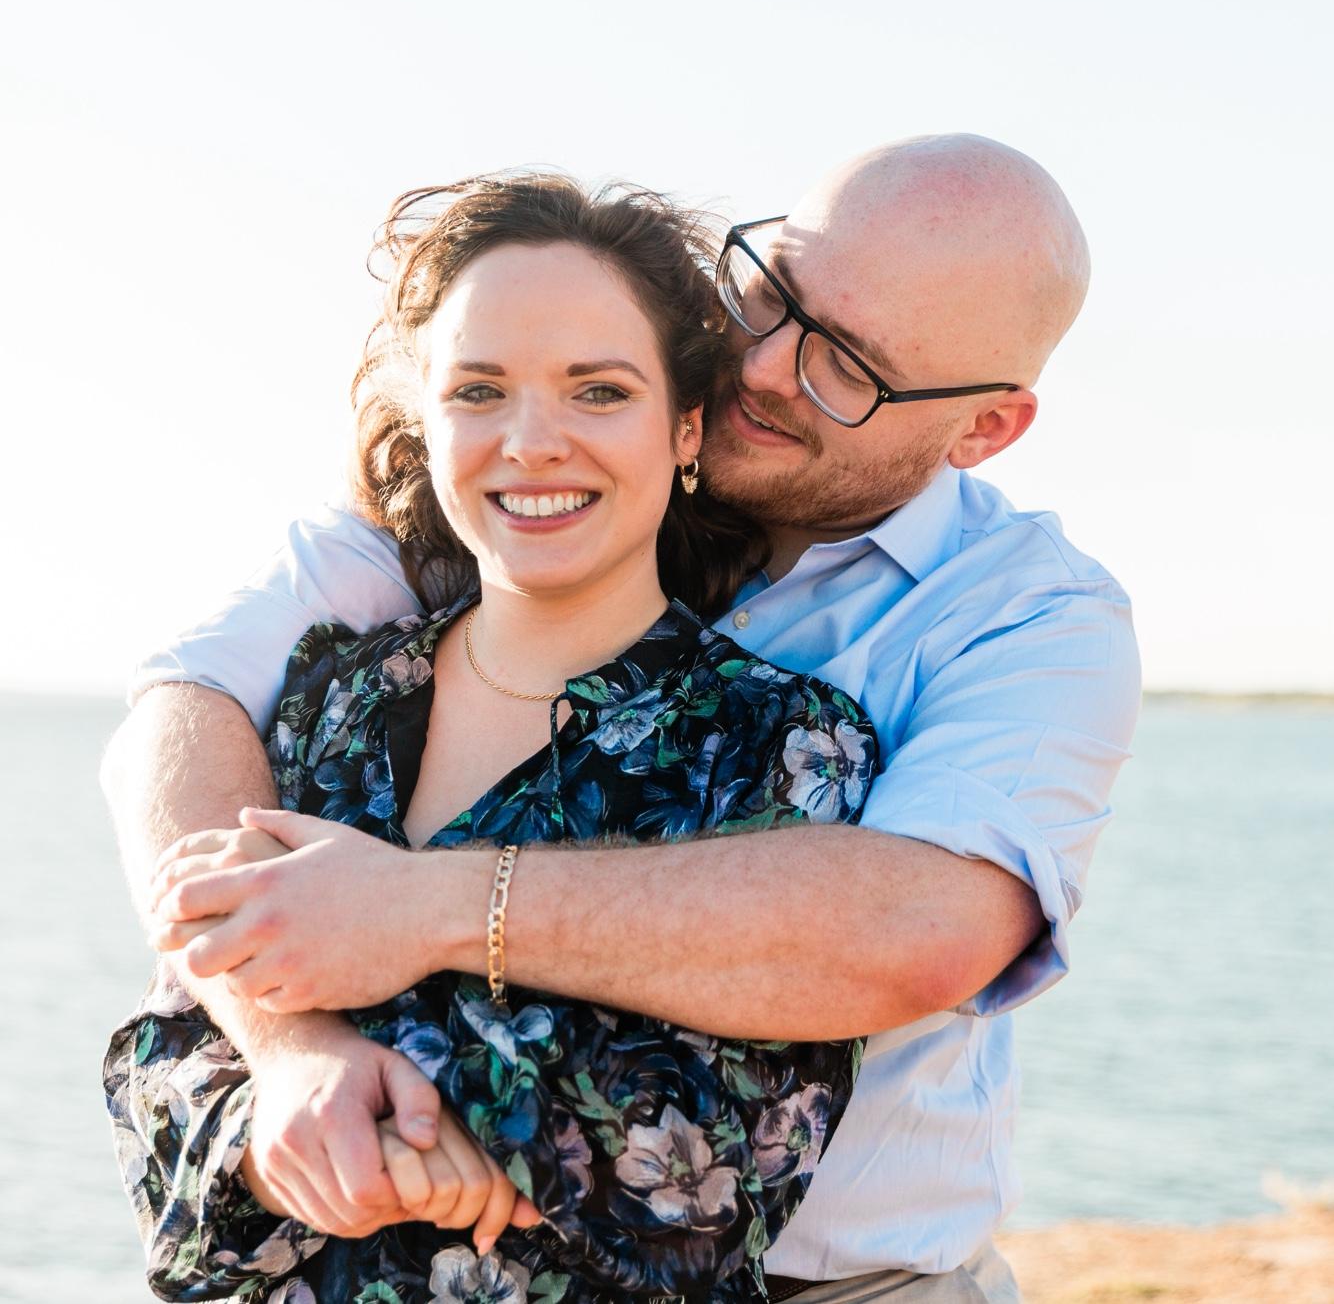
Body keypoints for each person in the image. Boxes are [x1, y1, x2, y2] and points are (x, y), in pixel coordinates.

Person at [104, 134, 1141, 1302]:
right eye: (770, 291)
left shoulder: (1017, 618)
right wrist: (290, 1053)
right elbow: (178, 715)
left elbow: (914, 934)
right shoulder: (411, 596)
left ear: (981, 427)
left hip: (844, 1283)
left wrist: (417, 931)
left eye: (844, 363)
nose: (760, 365)